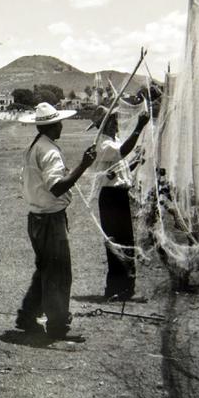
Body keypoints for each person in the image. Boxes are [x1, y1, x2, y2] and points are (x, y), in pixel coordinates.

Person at [16, 103, 97, 340]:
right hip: (50, 220)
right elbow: (56, 187)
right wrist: (83, 165)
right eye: (59, 122)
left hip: (37, 218)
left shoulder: (36, 146)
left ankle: (27, 315)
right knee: (58, 273)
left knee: (46, 270)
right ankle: (57, 325)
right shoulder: (49, 151)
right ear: (52, 126)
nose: (62, 125)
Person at [89, 106, 150, 301]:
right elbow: (122, 152)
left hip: (119, 195)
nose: (117, 123)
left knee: (126, 242)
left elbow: (119, 170)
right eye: (113, 120)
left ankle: (127, 287)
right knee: (116, 242)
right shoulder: (104, 144)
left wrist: (136, 162)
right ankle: (116, 288)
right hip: (111, 197)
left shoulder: (113, 141)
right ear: (104, 124)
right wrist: (139, 127)